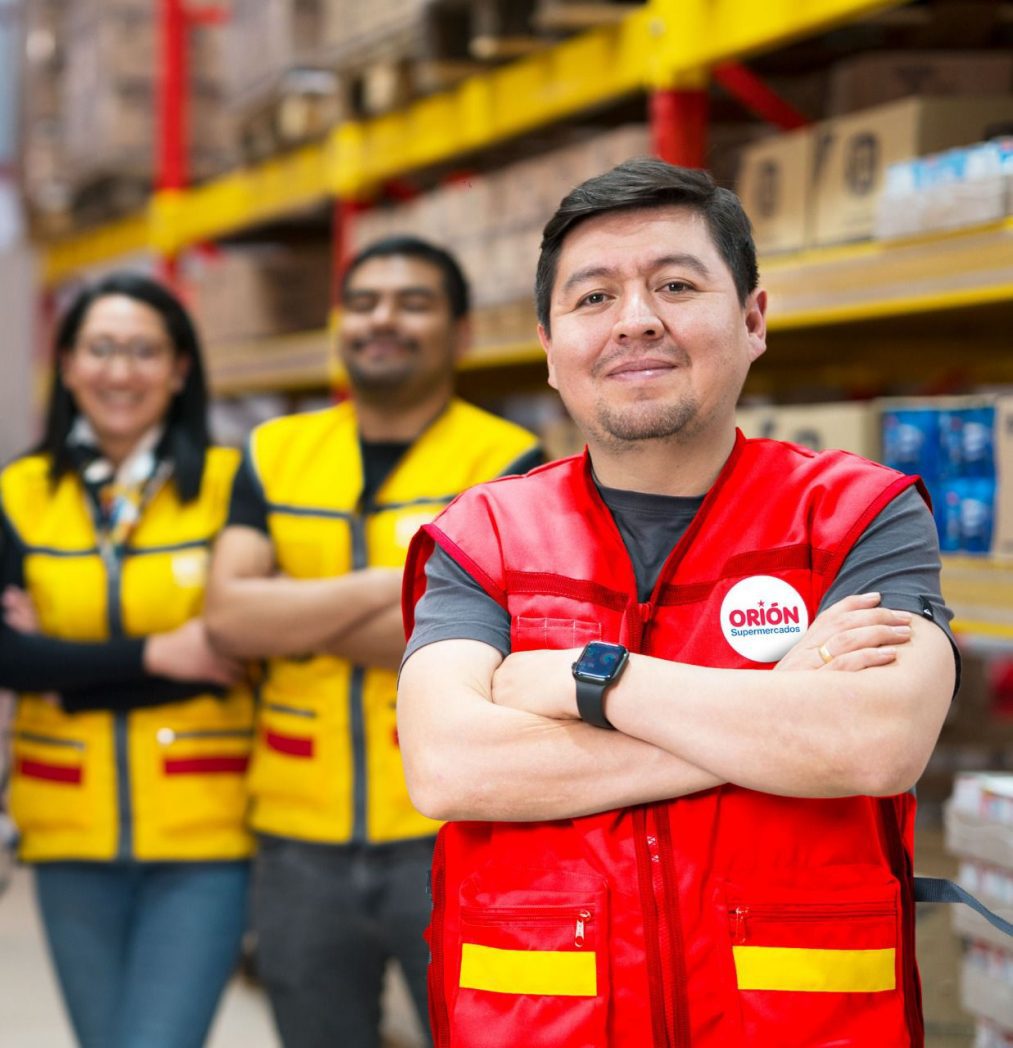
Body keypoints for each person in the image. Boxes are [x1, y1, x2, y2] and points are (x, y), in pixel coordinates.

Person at [397, 159, 958, 1048]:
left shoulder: (858, 515)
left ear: (752, 320)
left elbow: (872, 743)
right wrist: (776, 717)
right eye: (592, 299)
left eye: (675, 284)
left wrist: (587, 683)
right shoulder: (485, 536)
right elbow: (447, 766)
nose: (636, 320)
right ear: (548, 348)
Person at [204, 235, 542, 1048]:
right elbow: (229, 620)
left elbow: (497, 635)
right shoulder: (274, 452)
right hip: (295, 836)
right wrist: (413, 583)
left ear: (460, 333)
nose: (382, 319)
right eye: (362, 303)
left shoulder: (509, 462)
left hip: (452, 826)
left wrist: (289, 609)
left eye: (412, 302)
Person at [0, 272, 255, 1048]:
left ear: (179, 368)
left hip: (207, 829)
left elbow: (243, 642)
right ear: (68, 364)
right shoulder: (16, 495)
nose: (120, 372)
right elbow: (10, 657)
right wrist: (165, 653)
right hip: (66, 827)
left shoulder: (230, 484)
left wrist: (67, 663)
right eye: (100, 349)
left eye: (144, 351)